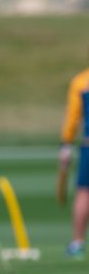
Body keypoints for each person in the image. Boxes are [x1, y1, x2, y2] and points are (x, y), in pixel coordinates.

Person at [59, 65, 89, 260]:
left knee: (84, 193)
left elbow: (73, 117)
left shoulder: (81, 81)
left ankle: (77, 242)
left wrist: (66, 144)